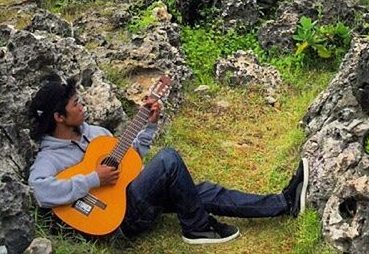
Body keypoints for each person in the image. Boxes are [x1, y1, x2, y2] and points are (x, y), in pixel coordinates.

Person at [27, 75, 309, 245]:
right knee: (169, 158)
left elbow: (132, 160)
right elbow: (41, 190)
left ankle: (283, 203)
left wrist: (149, 125)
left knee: (204, 191)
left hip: (132, 196)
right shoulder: (50, 156)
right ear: (58, 117)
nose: (82, 105)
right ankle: (197, 228)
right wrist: (93, 179)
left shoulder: (95, 134)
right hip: (119, 220)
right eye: (76, 104)